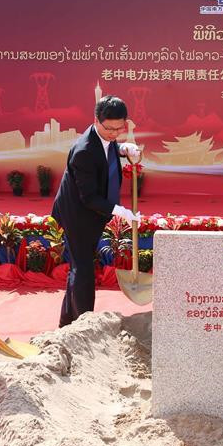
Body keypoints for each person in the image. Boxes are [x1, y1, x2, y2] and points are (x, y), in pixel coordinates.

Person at [53, 95, 140, 327]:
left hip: (93, 211)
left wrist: (122, 148)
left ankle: (67, 323)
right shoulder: (83, 151)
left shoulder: (106, 139)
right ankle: (84, 324)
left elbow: (108, 148)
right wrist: (120, 211)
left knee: (79, 266)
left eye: (119, 128)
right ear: (96, 120)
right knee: (83, 269)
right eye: (109, 128)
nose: (113, 133)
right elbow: (89, 197)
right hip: (77, 213)